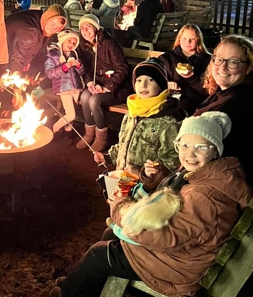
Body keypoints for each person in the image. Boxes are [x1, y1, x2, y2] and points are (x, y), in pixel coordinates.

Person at [52, 111, 251, 297]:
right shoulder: (209, 175)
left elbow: (162, 236)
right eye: (184, 145)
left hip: (178, 266)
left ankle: (68, 291)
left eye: (200, 147)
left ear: (215, 151)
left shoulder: (205, 198)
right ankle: (76, 283)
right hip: (184, 251)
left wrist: (121, 204)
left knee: (99, 254)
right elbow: (176, 202)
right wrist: (156, 179)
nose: (190, 154)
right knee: (110, 234)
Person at [94, 58, 184, 177]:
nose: (143, 85)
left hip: (146, 186)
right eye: (139, 80)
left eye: (150, 80)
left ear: (161, 85)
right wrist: (108, 157)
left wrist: (144, 175)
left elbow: (172, 160)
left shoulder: (168, 120)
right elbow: (124, 143)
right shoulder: (132, 113)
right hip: (124, 178)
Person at [194, 34, 253, 182]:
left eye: (233, 62)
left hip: (217, 183)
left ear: (248, 68)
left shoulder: (239, 104)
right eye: (219, 59)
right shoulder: (222, 93)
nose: (222, 67)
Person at [76, 14, 131, 152]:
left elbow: (122, 69)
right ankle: (89, 134)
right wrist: (89, 83)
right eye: (82, 28)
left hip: (118, 87)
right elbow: (88, 69)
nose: (85, 30)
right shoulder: (87, 45)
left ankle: (101, 137)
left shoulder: (108, 43)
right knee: (84, 97)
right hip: (98, 84)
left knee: (94, 101)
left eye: (88, 26)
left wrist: (106, 87)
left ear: (96, 27)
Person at [0, 4, 67, 76]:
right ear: (46, 18)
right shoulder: (31, 31)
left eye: (59, 28)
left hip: (8, 55)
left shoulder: (43, 23)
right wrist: (16, 72)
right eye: (52, 24)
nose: (54, 29)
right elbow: (18, 54)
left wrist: (27, 61)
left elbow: (34, 45)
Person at [159, 24, 210, 115]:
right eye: (184, 39)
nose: (188, 42)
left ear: (198, 40)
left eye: (192, 39)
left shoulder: (207, 60)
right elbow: (153, 75)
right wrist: (166, 83)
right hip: (169, 100)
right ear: (179, 39)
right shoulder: (167, 58)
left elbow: (208, 90)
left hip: (196, 103)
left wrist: (192, 77)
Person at [44, 28, 85, 136]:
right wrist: (65, 67)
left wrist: (78, 65)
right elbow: (49, 73)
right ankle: (54, 129)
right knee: (71, 115)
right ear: (63, 40)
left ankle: (68, 132)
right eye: (69, 41)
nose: (72, 44)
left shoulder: (74, 54)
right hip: (63, 88)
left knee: (72, 114)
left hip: (76, 87)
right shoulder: (53, 54)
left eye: (74, 43)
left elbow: (82, 72)